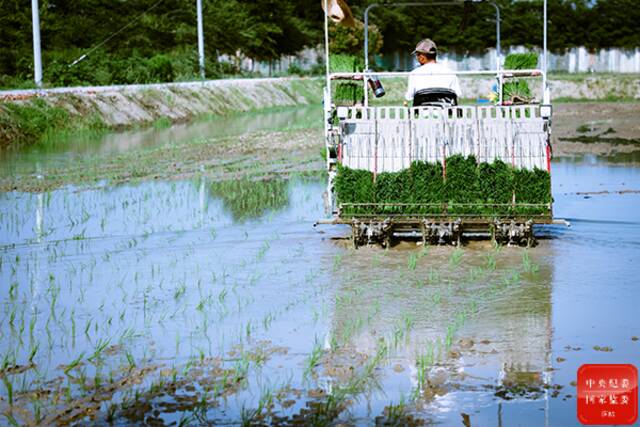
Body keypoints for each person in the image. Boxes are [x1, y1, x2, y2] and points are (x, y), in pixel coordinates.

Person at [404, 39, 461, 106]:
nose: (417, 58)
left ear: (422, 57)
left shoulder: (414, 74)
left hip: (422, 114)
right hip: (444, 114)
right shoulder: (450, 73)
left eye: (417, 55)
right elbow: (458, 95)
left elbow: (409, 97)